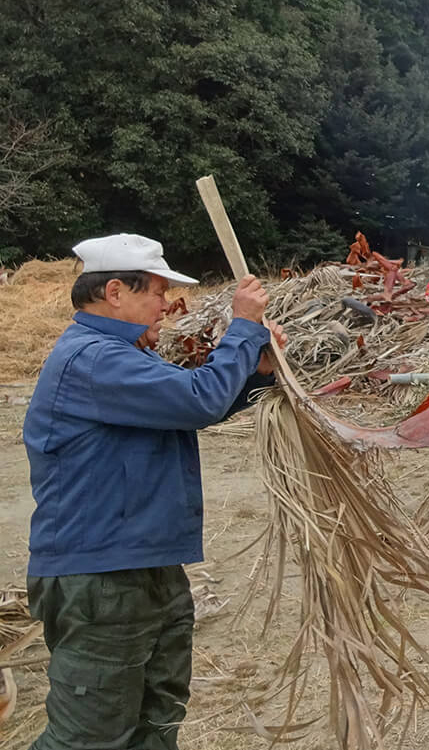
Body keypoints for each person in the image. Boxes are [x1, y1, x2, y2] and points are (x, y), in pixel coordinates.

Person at [23, 233, 287, 750]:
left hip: (142, 565)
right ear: (116, 291)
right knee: (89, 737)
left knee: (156, 720)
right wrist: (243, 327)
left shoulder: (122, 356)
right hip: (100, 575)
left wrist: (254, 377)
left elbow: (185, 405)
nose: (166, 306)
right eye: (158, 292)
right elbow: (196, 401)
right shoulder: (94, 358)